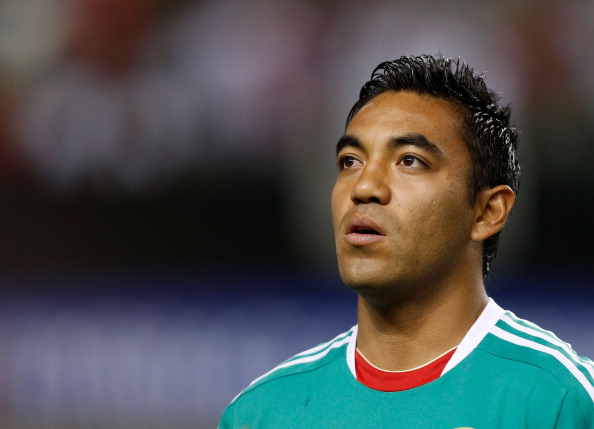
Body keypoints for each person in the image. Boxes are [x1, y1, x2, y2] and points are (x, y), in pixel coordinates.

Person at [218, 55, 594, 428]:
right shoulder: (260, 414)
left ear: (487, 212)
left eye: (410, 161)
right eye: (351, 161)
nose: (364, 187)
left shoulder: (560, 401)